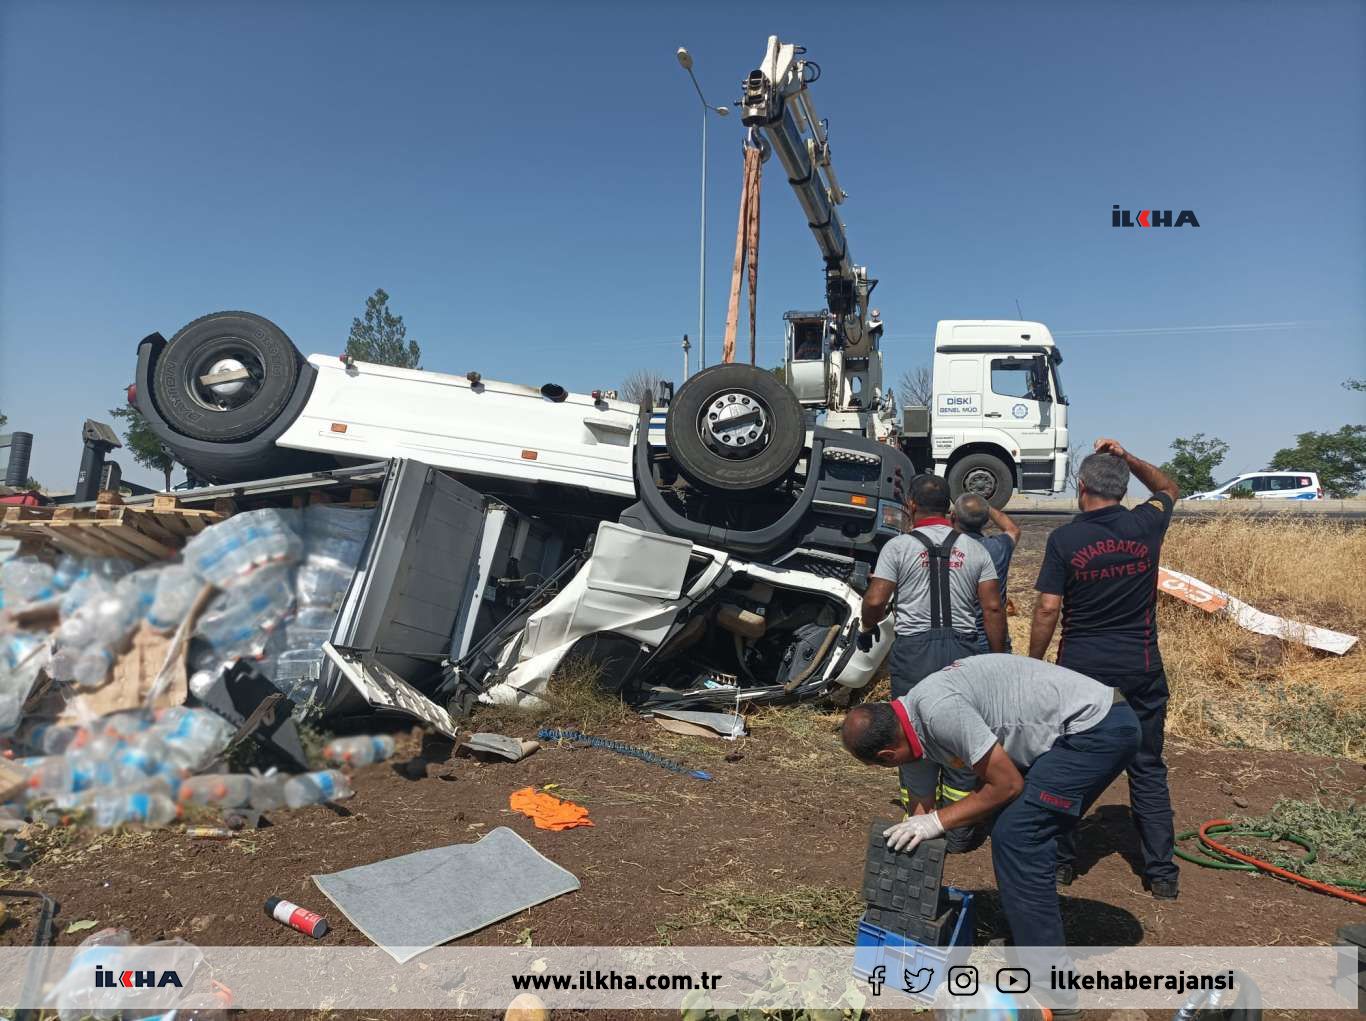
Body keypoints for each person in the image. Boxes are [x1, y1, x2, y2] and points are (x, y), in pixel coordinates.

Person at [840, 654, 1140, 1006]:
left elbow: (1007, 785)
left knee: (1019, 836)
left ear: (890, 754)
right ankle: (1030, 940)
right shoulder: (907, 723)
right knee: (1010, 823)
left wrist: (936, 822)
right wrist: (914, 870)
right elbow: (921, 807)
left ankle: (1053, 992)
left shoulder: (939, 711)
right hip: (1067, 732)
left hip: (1096, 730)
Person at [1028, 438, 1181, 900]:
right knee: (1148, 768)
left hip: (1082, 674)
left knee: (1068, 767)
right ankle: (1162, 877)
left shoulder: (1065, 539)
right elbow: (1170, 486)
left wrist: (1034, 665)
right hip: (1141, 666)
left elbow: (1047, 609)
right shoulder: (1145, 523)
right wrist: (1130, 456)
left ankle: (1060, 864)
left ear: (1081, 487)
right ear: (1122, 487)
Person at [860, 473, 1006, 847]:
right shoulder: (976, 549)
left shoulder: (898, 547)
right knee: (962, 732)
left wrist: (867, 624)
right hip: (962, 651)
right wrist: (996, 655)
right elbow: (991, 605)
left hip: (914, 653)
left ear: (910, 506)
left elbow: (876, 600)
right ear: (950, 508)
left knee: (911, 728)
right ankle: (958, 827)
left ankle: (919, 817)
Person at [950, 494, 1021, 654]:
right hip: (992, 639)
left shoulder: (945, 548)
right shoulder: (998, 547)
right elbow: (1013, 529)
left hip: (957, 639)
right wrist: (985, 507)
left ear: (953, 517)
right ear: (987, 521)